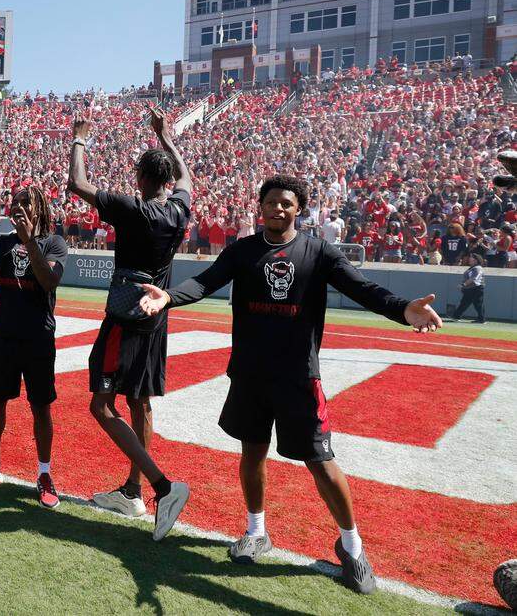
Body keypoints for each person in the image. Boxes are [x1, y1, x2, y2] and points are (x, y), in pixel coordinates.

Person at [139, 174, 443, 595]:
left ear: (298, 209)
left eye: (287, 203)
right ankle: (256, 530)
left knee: (321, 461)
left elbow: (362, 288)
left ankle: (352, 547)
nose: (278, 209)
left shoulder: (317, 251)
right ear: (259, 207)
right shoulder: (242, 251)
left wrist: (401, 310)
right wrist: (169, 297)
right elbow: (206, 282)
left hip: (299, 376)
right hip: (249, 373)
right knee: (252, 453)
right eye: (271, 202)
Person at [66, 108, 191, 542]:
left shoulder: (133, 208)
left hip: (125, 319)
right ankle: (133, 491)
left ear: (140, 178)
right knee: (140, 403)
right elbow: (186, 177)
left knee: (101, 406)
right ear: (168, 181)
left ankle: (161, 487)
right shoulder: (178, 210)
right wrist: (166, 136)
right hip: (157, 319)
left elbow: (77, 185)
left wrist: (80, 139)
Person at [0, 187, 67, 509]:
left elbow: (49, 281)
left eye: (25, 203)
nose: (17, 207)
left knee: (41, 406)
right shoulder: (3, 243)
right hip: (2, 335)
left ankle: (44, 474)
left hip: (37, 338)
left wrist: (30, 240)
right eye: (15, 203)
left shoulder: (54, 243)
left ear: (40, 208)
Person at [449, 253, 485, 323]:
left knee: (477, 304)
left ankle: (481, 319)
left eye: (471, 257)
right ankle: (456, 316)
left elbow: (473, 278)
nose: (469, 258)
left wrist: (463, 284)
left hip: (476, 288)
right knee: (465, 303)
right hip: (470, 289)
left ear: (476, 260)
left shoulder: (478, 268)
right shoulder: (472, 268)